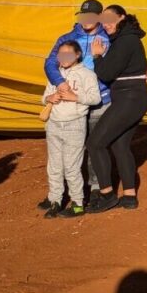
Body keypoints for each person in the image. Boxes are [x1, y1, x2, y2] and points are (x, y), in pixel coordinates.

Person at [44, 0, 111, 205]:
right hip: (70, 104)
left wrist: (143, 66)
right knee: (67, 151)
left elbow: (124, 57)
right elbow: (50, 63)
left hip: (100, 99)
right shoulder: (67, 39)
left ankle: (95, 188)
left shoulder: (109, 37)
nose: (87, 19)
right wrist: (60, 82)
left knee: (95, 145)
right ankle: (59, 194)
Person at [86, 5, 147, 213]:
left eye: (110, 18)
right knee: (120, 146)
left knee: (95, 143)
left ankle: (107, 195)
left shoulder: (125, 40)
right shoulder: (127, 39)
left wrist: (97, 56)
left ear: (122, 17)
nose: (106, 24)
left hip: (129, 98)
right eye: (103, 20)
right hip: (132, 97)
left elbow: (106, 73)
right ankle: (129, 196)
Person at [38, 41, 101, 219]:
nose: (63, 58)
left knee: (72, 167)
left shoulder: (87, 75)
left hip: (74, 124)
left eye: (68, 54)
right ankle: (55, 200)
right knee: (54, 166)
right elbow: (44, 96)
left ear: (77, 55)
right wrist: (49, 98)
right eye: (60, 55)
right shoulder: (55, 74)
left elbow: (95, 98)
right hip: (54, 124)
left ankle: (77, 204)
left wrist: (75, 97)